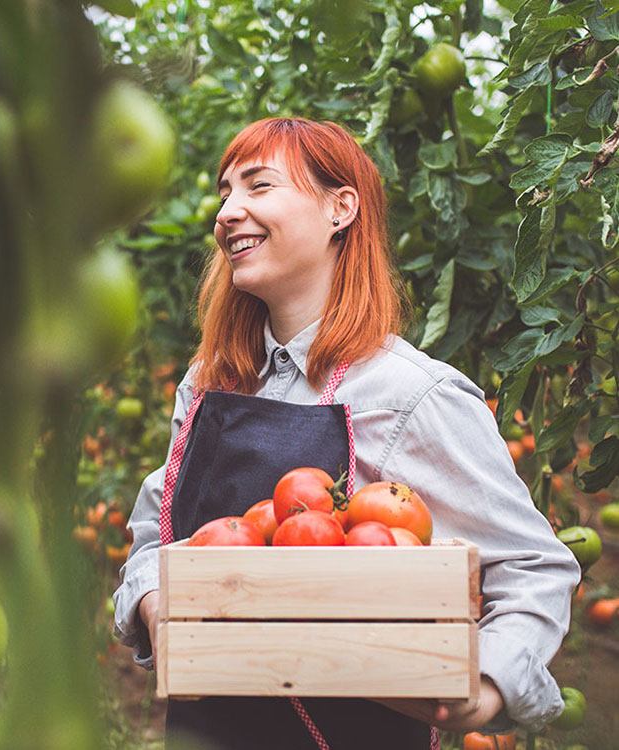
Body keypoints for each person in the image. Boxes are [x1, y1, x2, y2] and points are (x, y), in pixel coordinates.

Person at [112, 117, 581, 750]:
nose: (228, 211)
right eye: (225, 192)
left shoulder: (411, 393)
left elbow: (533, 566)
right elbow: (153, 540)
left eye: (258, 185)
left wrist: (488, 682)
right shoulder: (210, 382)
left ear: (341, 208)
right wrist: (156, 609)